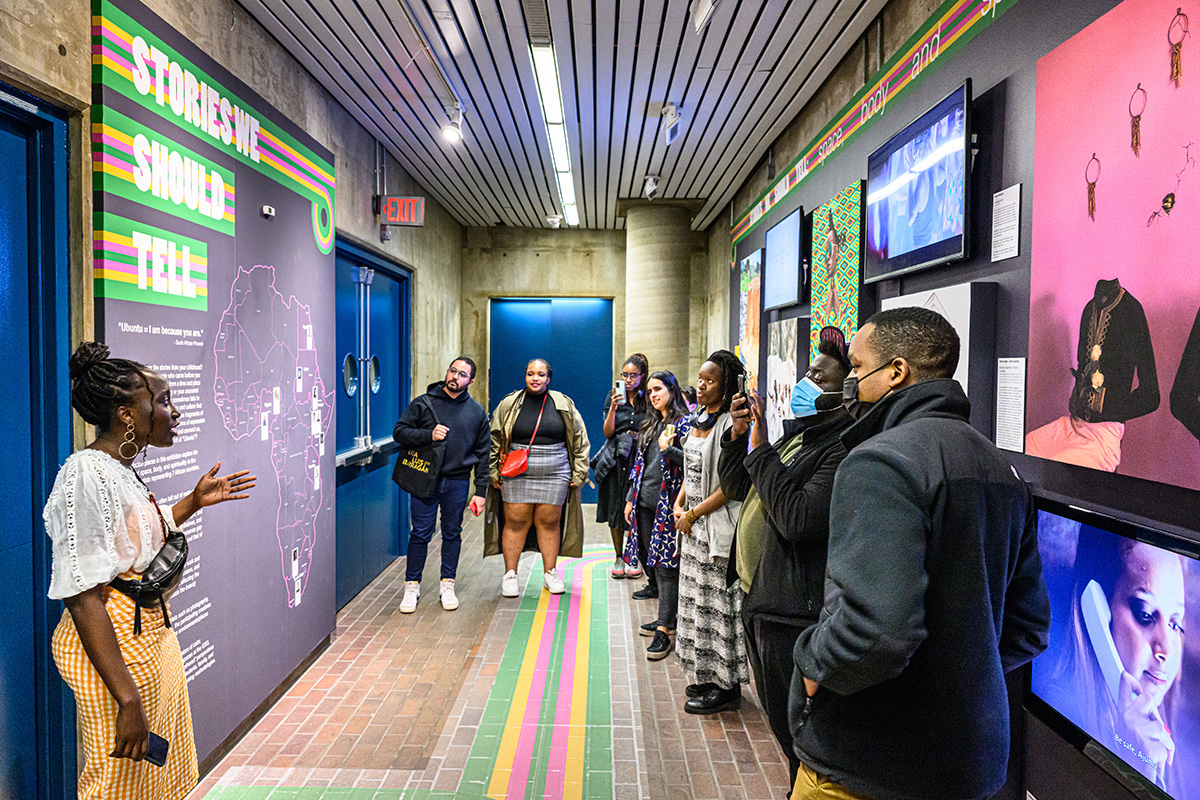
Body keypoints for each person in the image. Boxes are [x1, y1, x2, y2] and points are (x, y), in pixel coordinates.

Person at [790, 307, 1051, 800]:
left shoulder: (878, 462)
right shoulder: (1004, 473)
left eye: (856, 365)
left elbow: (875, 632)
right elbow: (1029, 627)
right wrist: (956, 670)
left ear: (895, 371)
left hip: (869, 763)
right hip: (969, 768)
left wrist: (811, 666)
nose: (848, 380)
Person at [45, 342, 256, 800]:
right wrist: (127, 698)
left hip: (150, 635)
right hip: (115, 645)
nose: (173, 411)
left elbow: (132, 541)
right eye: (162, 401)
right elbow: (82, 595)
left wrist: (193, 503)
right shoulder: (86, 474)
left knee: (157, 774)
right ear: (126, 414)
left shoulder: (117, 468)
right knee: (119, 781)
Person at [718, 337, 852, 787]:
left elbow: (797, 518)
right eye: (806, 374)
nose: (804, 383)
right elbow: (739, 487)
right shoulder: (800, 435)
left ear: (846, 389)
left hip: (793, 614)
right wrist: (741, 441)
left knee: (800, 734)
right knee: (781, 724)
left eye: (818, 377)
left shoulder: (839, 449)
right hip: (761, 600)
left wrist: (760, 450)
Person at [1044, 524, 1185, 792]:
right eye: (1145, 614)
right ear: (1095, 608)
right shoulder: (1058, 709)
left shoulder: (1170, 762)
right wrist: (1130, 770)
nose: (1165, 649)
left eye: (1176, 624)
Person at [673, 350, 746, 714]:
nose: (701, 386)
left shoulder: (731, 427)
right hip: (692, 524)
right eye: (700, 379)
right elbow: (692, 466)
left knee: (719, 608)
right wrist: (679, 501)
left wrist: (693, 513)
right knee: (697, 605)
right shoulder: (697, 417)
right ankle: (706, 673)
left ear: (726, 384)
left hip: (715, 525)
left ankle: (727, 687)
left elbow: (730, 485)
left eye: (710, 381)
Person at [485, 358, 590, 597]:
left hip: (555, 468)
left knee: (549, 522)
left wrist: (580, 470)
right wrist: (493, 470)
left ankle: (549, 573)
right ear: (525, 376)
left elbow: (579, 438)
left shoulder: (562, 403)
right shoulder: (510, 403)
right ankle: (510, 574)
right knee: (516, 521)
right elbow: (495, 438)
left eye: (541, 374)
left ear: (548, 378)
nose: (535, 378)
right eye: (531, 374)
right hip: (516, 468)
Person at [393, 357, 490, 613]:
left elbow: (484, 454)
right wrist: (428, 434)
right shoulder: (423, 404)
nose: (455, 376)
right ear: (447, 372)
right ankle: (411, 586)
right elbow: (399, 432)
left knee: (452, 533)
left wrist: (481, 492)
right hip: (425, 478)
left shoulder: (476, 412)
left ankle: (447, 584)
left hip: (458, 481)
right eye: (453, 370)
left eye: (462, 374)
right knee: (420, 534)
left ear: (471, 381)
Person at [622, 371, 692, 660]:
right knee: (650, 560)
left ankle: (665, 629)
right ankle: (666, 616)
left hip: (669, 503)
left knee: (666, 567)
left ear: (672, 390)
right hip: (645, 501)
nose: (653, 395)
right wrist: (630, 498)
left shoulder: (685, 423)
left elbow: (692, 462)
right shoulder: (652, 423)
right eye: (649, 391)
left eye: (658, 389)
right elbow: (640, 464)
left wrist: (670, 448)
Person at [596, 354, 649, 580]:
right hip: (617, 457)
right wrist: (613, 410)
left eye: (633, 375)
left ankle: (633, 554)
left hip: (640, 456)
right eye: (624, 375)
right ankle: (619, 556)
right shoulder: (613, 397)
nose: (628, 380)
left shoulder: (649, 398)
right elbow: (608, 432)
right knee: (616, 507)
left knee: (636, 506)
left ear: (643, 376)